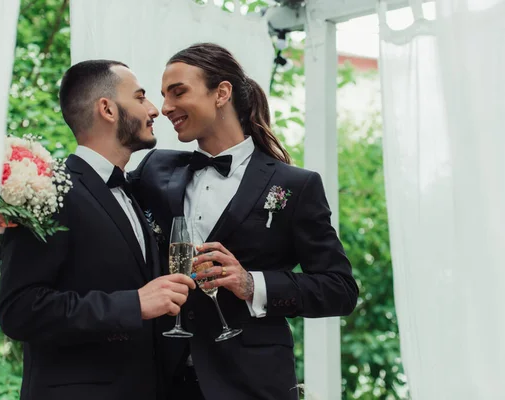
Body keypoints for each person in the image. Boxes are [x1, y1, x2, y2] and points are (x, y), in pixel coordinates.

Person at [130, 43, 359, 400]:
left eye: (178, 92)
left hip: (252, 384)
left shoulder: (295, 185)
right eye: (163, 96)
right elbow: (101, 204)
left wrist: (252, 284)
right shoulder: (155, 169)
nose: (166, 107)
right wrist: (27, 201)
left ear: (221, 93)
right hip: (162, 379)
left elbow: (340, 289)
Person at [0, 59, 196, 400]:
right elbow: (20, 310)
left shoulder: (135, 192)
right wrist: (132, 304)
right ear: (107, 108)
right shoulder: (48, 189)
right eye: (140, 97)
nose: (154, 110)